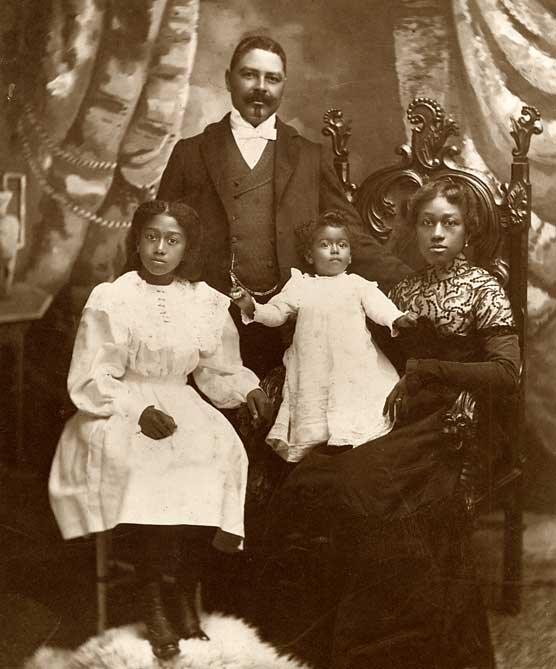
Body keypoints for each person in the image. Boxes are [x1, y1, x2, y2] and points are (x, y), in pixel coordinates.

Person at [261, 178, 520, 669]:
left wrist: (429, 371)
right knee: (315, 477)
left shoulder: (486, 289)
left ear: (470, 231)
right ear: (414, 230)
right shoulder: (402, 290)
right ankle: (310, 644)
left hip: (455, 421)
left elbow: (506, 375)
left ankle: (391, 649)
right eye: (427, 223)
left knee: (363, 486)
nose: (437, 234)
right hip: (394, 415)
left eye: (451, 223)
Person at [48, 200, 268, 661]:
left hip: (181, 401)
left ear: (187, 247)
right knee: (149, 467)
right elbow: (90, 377)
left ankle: (184, 589)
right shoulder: (112, 298)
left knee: (216, 458)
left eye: (172, 239)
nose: (159, 249)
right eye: (151, 237)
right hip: (119, 406)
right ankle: (152, 598)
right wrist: (136, 409)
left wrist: (246, 388)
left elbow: (217, 370)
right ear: (137, 240)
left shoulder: (205, 302)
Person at [157, 34, 410, 379]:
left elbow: (353, 236)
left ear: (283, 85)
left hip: (291, 325)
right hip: (210, 324)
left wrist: (414, 281)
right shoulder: (191, 152)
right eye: (249, 75)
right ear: (228, 79)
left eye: (271, 78)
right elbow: (157, 235)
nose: (261, 87)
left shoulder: (309, 155)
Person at [231, 210, 417, 463]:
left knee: (356, 417)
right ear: (310, 255)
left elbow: (378, 306)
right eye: (325, 244)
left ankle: (351, 449)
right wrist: (252, 307)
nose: (334, 250)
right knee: (317, 418)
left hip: (354, 364)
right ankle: (322, 456)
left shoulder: (356, 284)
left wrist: (396, 318)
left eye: (342, 245)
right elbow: (277, 313)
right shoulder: (301, 285)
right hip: (313, 367)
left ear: (350, 256)